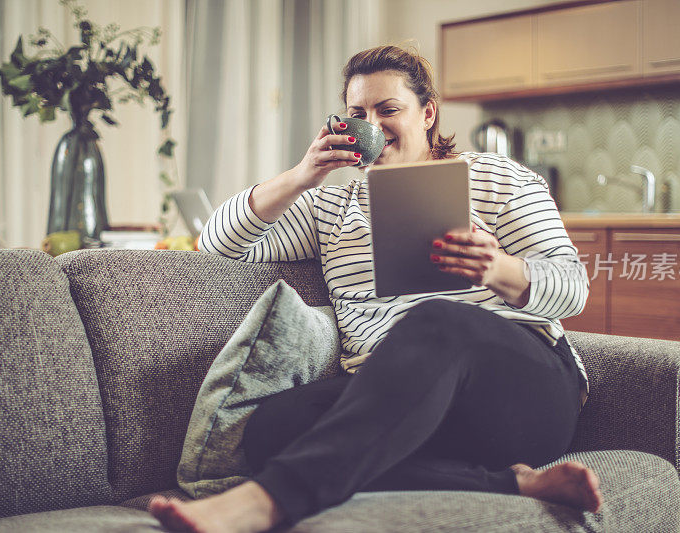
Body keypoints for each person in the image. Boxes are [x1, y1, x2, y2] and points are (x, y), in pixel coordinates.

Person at [149, 45, 602, 533]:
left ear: (427, 113)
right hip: (398, 405)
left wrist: (499, 269)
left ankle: (266, 502)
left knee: (436, 319)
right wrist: (304, 175)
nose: (373, 124)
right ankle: (510, 485)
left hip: (515, 395)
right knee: (271, 427)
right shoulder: (330, 207)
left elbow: (573, 288)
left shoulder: (497, 178)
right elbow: (219, 243)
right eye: (357, 114)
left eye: (389, 110)